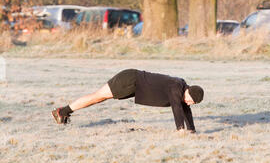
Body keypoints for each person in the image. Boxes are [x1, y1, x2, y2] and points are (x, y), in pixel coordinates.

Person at [52, 68, 204, 132]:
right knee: (97, 96)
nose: (189, 103)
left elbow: (185, 109)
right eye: (191, 100)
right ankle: (62, 111)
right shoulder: (176, 86)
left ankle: (63, 112)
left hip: (133, 84)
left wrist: (191, 130)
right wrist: (180, 130)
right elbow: (177, 108)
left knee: (99, 98)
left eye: (192, 103)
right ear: (188, 92)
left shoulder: (182, 88)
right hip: (130, 80)